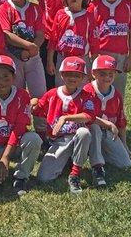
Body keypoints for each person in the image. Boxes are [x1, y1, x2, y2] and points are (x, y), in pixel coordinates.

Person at [0, 55, 42, 196]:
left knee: (34, 139)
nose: (1, 81)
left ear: (14, 77)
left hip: (15, 144)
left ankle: (21, 176)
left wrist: (5, 157)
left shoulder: (22, 96)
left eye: (6, 76)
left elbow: (19, 128)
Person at [32, 56, 95, 194]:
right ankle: (66, 160)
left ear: (83, 77)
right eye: (69, 74)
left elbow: (89, 116)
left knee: (84, 133)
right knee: (44, 178)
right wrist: (34, 103)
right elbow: (38, 110)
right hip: (58, 142)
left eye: (77, 75)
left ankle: (75, 174)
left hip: (76, 138)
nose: (72, 78)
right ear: (61, 75)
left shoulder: (86, 95)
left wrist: (66, 118)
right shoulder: (52, 94)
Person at [0, 0, 47, 137]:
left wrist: (34, 48)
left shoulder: (34, 8)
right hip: (13, 58)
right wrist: (28, 46)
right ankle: (15, 130)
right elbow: (5, 33)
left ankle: (41, 131)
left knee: (39, 94)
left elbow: (40, 33)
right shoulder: (4, 8)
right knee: (14, 94)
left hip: (33, 58)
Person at [85, 55, 131, 188]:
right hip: (88, 133)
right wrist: (108, 124)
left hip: (108, 134)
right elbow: (86, 116)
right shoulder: (88, 91)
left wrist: (124, 145)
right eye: (102, 74)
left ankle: (98, 152)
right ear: (93, 74)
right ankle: (97, 168)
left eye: (111, 74)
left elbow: (121, 122)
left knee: (125, 163)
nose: (107, 77)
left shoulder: (116, 95)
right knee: (94, 128)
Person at [47, 0, 99, 86]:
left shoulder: (89, 16)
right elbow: (53, 39)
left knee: (82, 91)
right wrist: (50, 61)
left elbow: (94, 44)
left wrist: (93, 67)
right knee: (62, 89)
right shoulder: (60, 14)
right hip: (62, 58)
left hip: (82, 59)